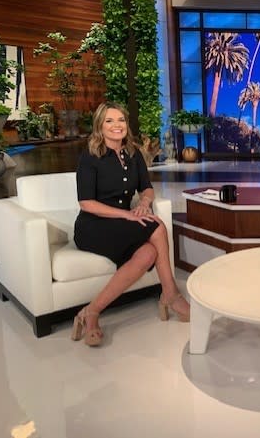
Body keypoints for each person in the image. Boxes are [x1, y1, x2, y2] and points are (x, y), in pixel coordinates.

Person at [71, 102, 190, 347]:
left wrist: (145, 203)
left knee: (148, 252)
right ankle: (171, 295)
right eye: (109, 121)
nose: (117, 126)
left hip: (120, 225)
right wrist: (128, 215)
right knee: (157, 226)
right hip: (92, 226)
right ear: (99, 127)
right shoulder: (90, 156)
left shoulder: (133, 154)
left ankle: (91, 312)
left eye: (121, 120)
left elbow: (146, 187)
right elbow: (86, 203)